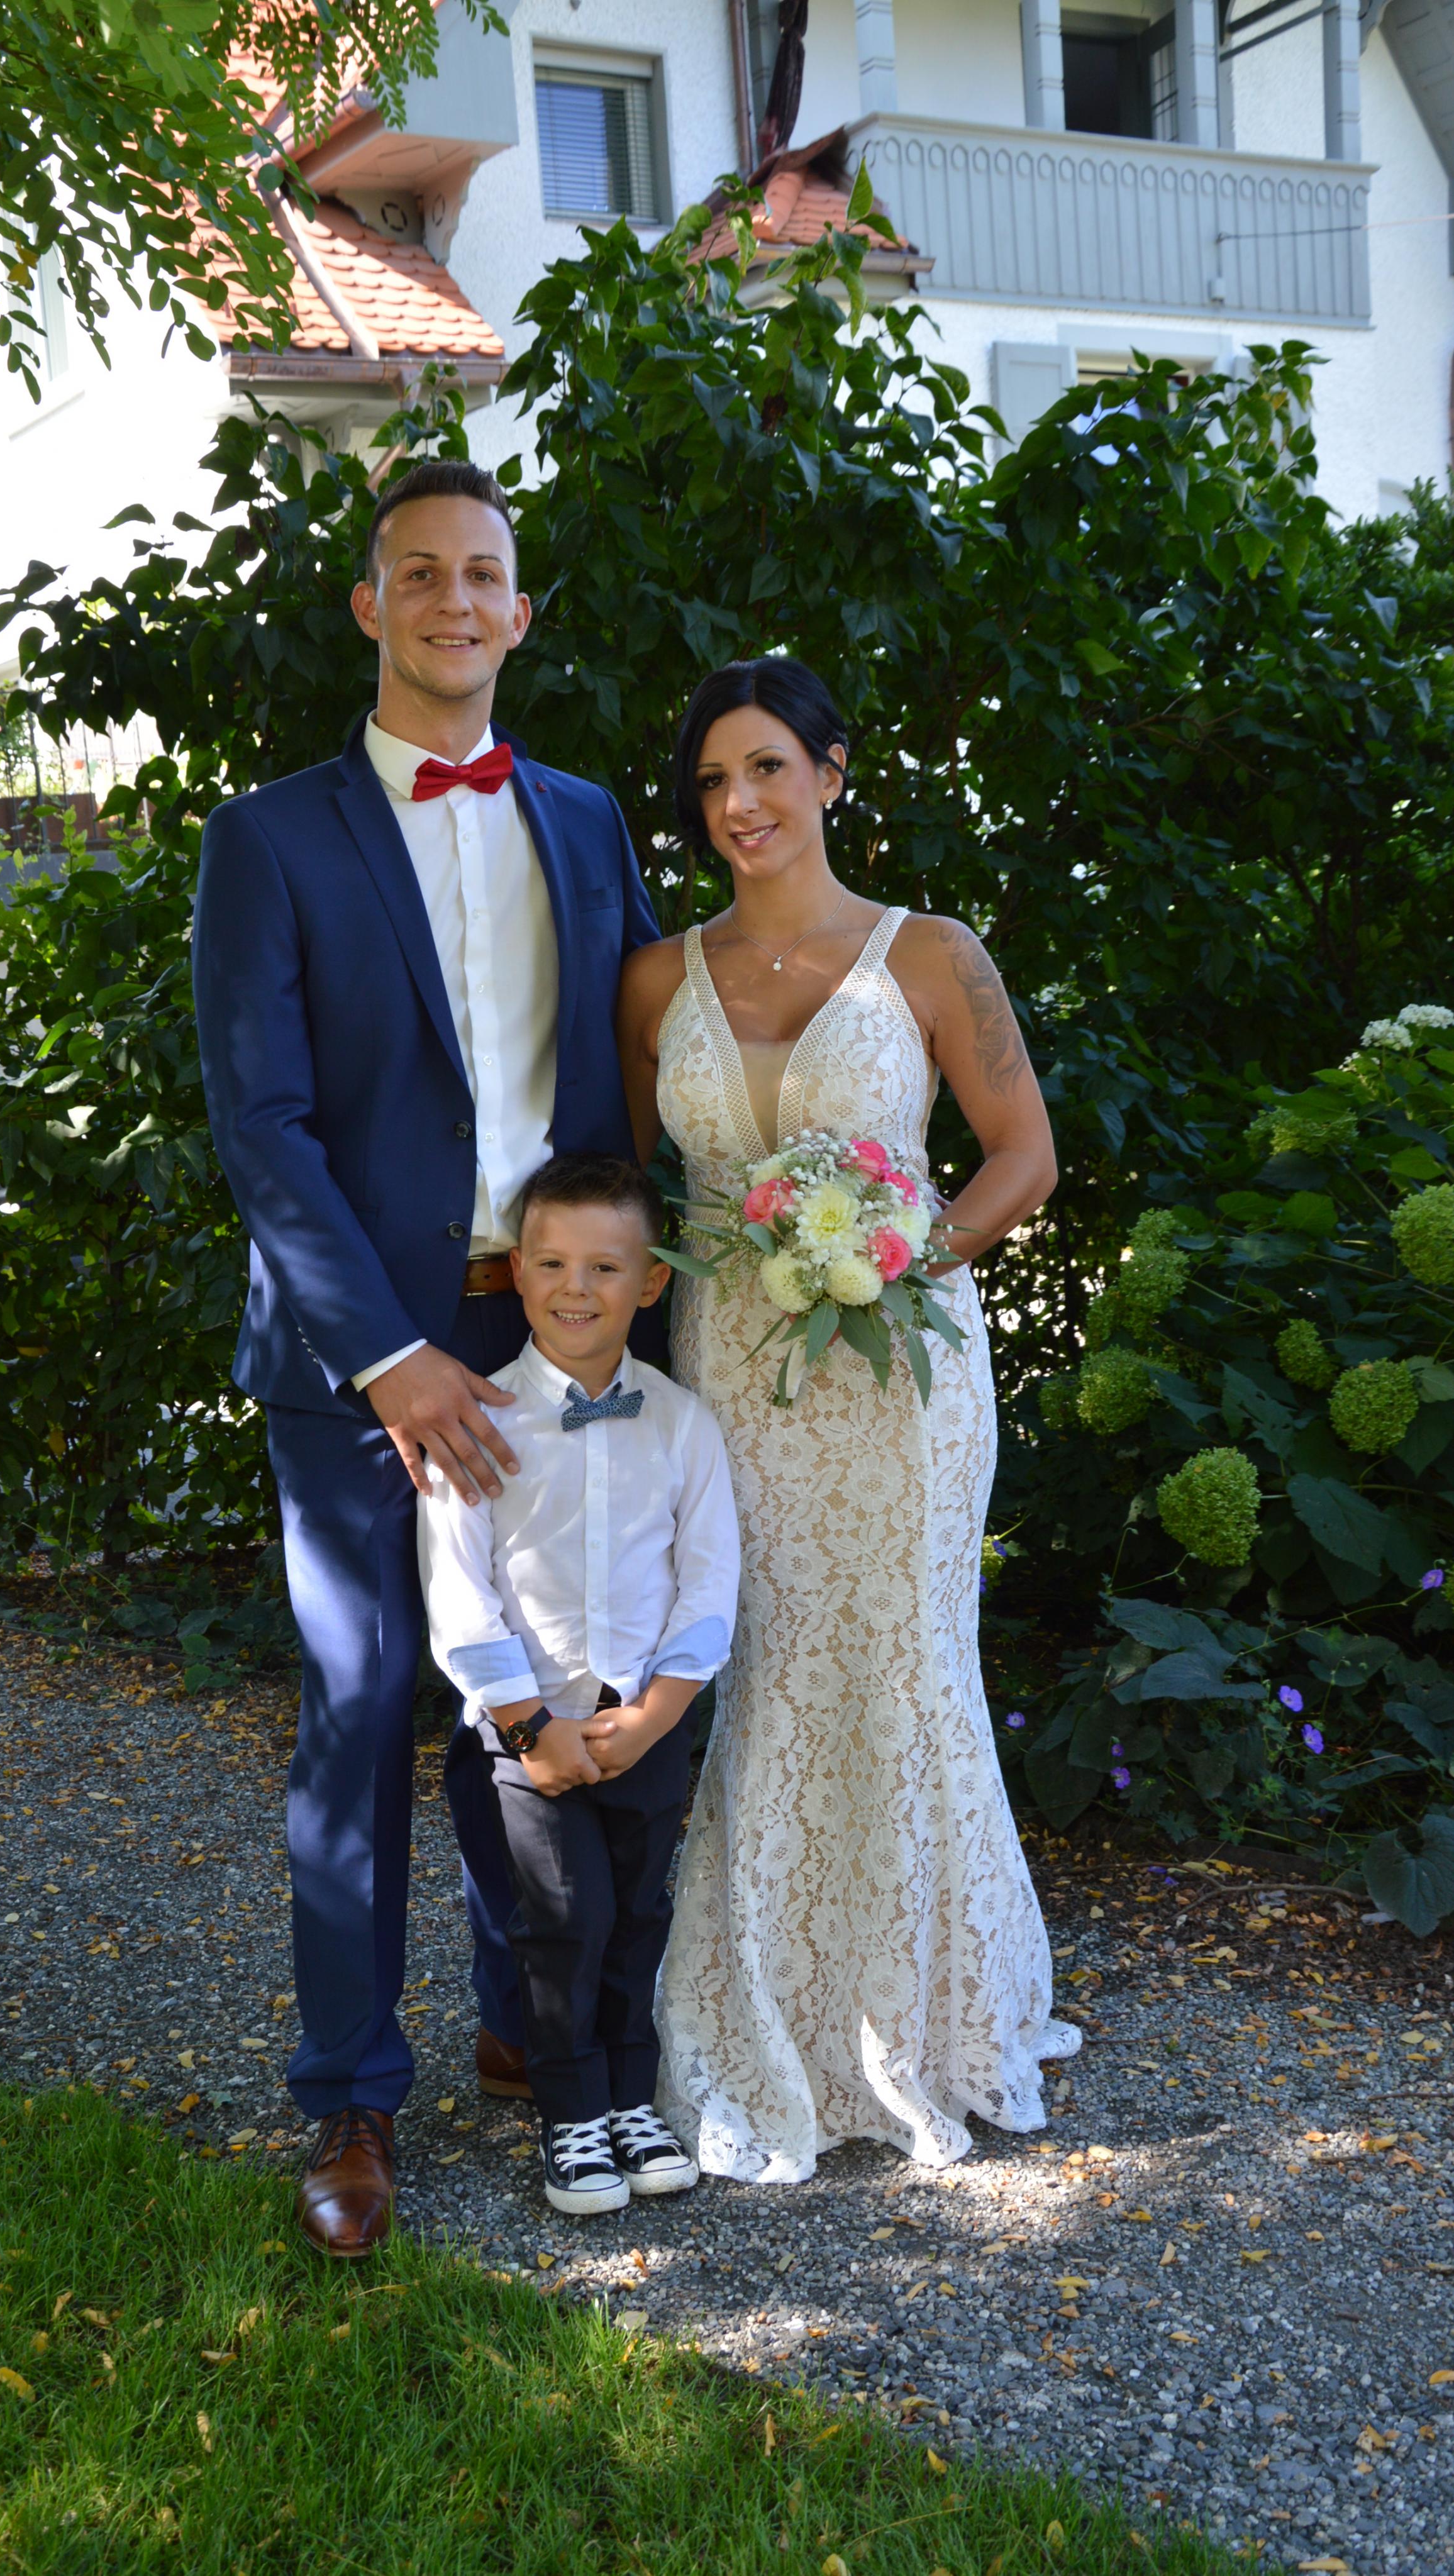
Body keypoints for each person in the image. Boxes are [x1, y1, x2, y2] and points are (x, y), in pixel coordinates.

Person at [192, 460, 660, 2258]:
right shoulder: (270, 839)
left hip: (545, 1337)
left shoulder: (589, 824)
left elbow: (630, 1084)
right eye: (420, 573)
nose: (454, 600)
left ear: (519, 614)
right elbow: (264, 1127)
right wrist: (387, 1354)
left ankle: (525, 2021)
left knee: (524, 1695)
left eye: (484, 574)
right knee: (366, 1699)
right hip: (360, 1358)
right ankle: (349, 2093)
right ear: (370, 605)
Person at [617, 657, 1080, 2182]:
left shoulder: (930, 954)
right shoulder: (655, 981)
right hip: (730, 1381)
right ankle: (770, 2016)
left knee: (901, 1659)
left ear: (829, 772)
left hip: (904, 1382)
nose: (739, 803)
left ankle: (932, 2019)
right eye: (712, 781)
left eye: (766, 767)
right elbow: (640, 1191)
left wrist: (904, 1253)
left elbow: (1022, 1155)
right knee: (764, 1663)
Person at [419, 1153, 739, 2213]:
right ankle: (569, 2116)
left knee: (639, 1915)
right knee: (564, 1921)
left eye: (606, 1267)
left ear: (652, 1283)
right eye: (552, 1262)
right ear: (516, 1270)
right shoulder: (475, 1421)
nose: (576, 1288)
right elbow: (459, 1597)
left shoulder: (684, 1424)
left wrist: (656, 1716)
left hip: (645, 1724)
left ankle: (631, 2101)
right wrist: (528, 1728)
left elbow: (709, 1585)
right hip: (530, 1734)